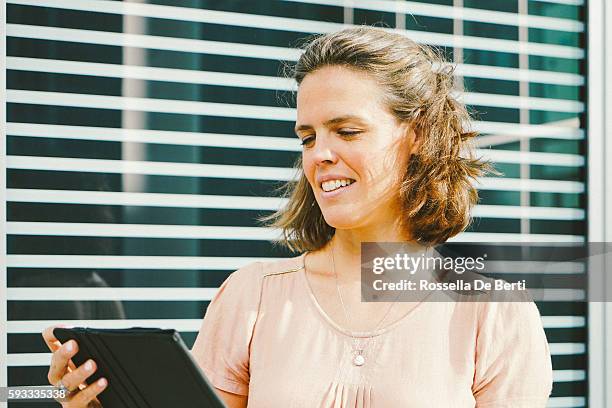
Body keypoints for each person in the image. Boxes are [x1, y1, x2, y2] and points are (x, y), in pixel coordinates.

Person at [43, 26, 553, 407]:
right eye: (307, 137)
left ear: (416, 137)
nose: (319, 155)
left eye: (347, 131)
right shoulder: (254, 295)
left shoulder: (493, 313)